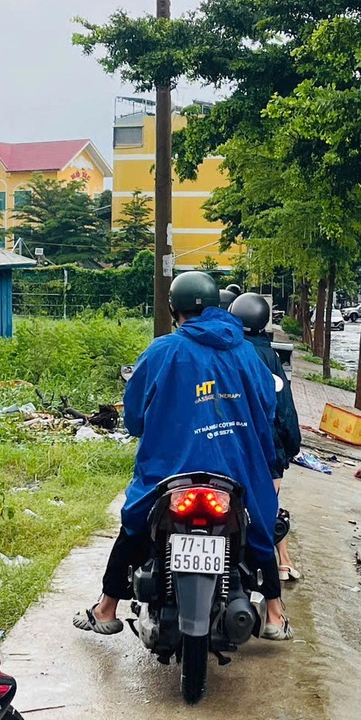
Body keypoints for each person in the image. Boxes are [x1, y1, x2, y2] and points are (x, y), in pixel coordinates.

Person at [74, 271, 291, 639]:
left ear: (173, 307)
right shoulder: (246, 353)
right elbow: (267, 409)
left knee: (134, 523)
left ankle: (107, 608)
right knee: (261, 524)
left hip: (170, 467)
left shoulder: (163, 350)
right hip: (237, 467)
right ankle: (273, 614)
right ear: (214, 305)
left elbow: (136, 418)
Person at [230, 292, 303, 582]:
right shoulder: (269, 357)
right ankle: (281, 568)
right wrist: (290, 448)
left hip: (228, 445)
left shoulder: (225, 351)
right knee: (267, 510)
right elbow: (283, 409)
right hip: (267, 450)